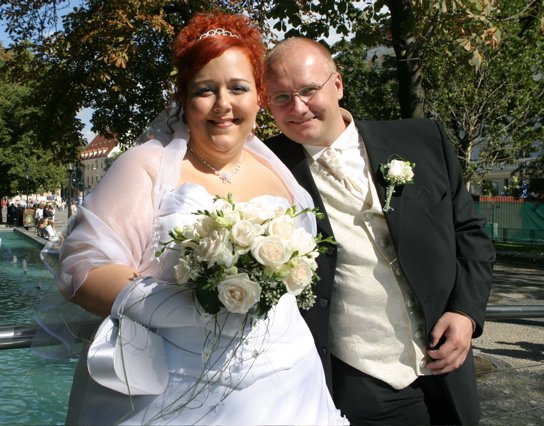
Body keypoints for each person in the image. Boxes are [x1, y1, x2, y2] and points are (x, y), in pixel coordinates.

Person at [53, 13, 347, 426]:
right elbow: (81, 267)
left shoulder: (281, 173)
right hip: (177, 386)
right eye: (206, 90)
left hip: (292, 384)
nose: (223, 104)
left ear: (258, 97)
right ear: (184, 99)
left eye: (238, 88)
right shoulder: (147, 166)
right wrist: (190, 306)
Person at [264, 37, 495, 425]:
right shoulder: (267, 168)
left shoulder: (422, 139)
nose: (298, 107)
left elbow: (470, 233)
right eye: (281, 97)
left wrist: (466, 313)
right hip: (361, 375)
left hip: (448, 361)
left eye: (308, 90)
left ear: (337, 84)